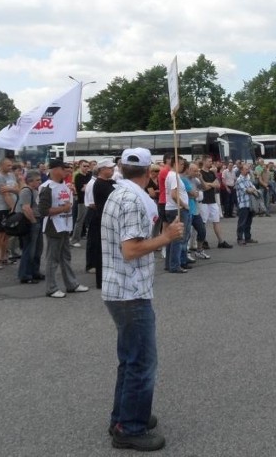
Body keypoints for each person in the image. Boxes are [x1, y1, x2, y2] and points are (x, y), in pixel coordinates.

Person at [101, 147, 183, 451]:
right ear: (149, 173)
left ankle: (123, 416)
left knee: (130, 359)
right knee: (142, 362)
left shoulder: (119, 192)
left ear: (122, 167)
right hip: (129, 290)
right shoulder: (133, 199)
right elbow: (131, 249)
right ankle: (130, 428)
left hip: (120, 288)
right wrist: (166, 237)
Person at [39, 159, 89, 298]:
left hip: (65, 226)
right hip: (53, 226)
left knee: (66, 257)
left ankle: (71, 284)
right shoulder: (47, 187)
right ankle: (51, 288)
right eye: (63, 168)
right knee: (52, 258)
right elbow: (43, 211)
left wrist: (70, 195)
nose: (66, 171)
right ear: (54, 170)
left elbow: (68, 203)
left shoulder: (65, 186)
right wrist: (63, 208)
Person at [86, 158, 116, 286]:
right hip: (101, 219)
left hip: (109, 218)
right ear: (102, 170)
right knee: (101, 249)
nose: (112, 170)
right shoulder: (99, 184)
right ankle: (101, 279)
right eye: (109, 168)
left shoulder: (109, 182)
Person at [16, 170, 44, 284]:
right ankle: (25, 274)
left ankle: (34, 271)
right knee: (29, 250)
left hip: (37, 220)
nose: (39, 182)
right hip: (31, 222)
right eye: (37, 180)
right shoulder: (26, 191)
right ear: (30, 181)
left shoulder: (34, 191)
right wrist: (33, 221)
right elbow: (26, 208)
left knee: (38, 249)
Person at [199, 156, 230, 249]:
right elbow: (204, 187)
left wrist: (209, 184)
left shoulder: (212, 173)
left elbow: (218, 185)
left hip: (212, 200)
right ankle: (203, 240)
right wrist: (211, 185)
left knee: (216, 220)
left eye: (211, 161)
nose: (211, 163)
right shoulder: (200, 173)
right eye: (209, 161)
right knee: (203, 222)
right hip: (203, 201)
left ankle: (221, 241)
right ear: (204, 162)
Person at [235, 163, 259, 245]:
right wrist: (251, 189)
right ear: (241, 170)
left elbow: (254, 189)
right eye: (246, 169)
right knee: (242, 222)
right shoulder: (239, 180)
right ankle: (240, 238)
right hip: (243, 204)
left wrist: (251, 189)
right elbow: (247, 190)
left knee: (248, 222)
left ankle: (248, 238)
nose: (248, 171)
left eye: (248, 169)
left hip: (250, 204)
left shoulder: (248, 179)